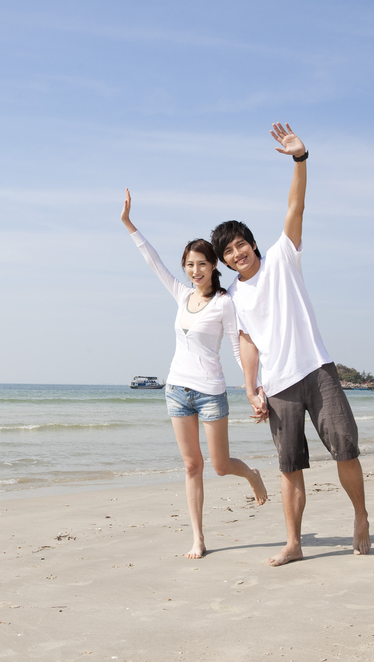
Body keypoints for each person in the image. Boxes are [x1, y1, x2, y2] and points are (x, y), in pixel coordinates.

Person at [211, 123, 371, 566]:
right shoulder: (236, 297)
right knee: (289, 466)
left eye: (240, 245)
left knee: (345, 449)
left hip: (316, 370)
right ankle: (294, 543)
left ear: (253, 244)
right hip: (277, 385)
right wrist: (250, 387)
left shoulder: (284, 254)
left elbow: (295, 204)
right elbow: (247, 342)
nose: (236, 254)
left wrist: (301, 160)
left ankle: (360, 516)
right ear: (224, 261)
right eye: (228, 252)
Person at [121, 188, 268, 559]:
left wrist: (252, 387)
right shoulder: (179, 294)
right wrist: (128, 223)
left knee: (219, 466)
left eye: (202, 264)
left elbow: (238, 347)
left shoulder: (224, 303)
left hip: (210, 392)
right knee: (191, 465)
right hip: (176, 391)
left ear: (214, 266)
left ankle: (250, 473)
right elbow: (152, 261)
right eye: (189, 265)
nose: (195, 271)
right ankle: (199, 538)